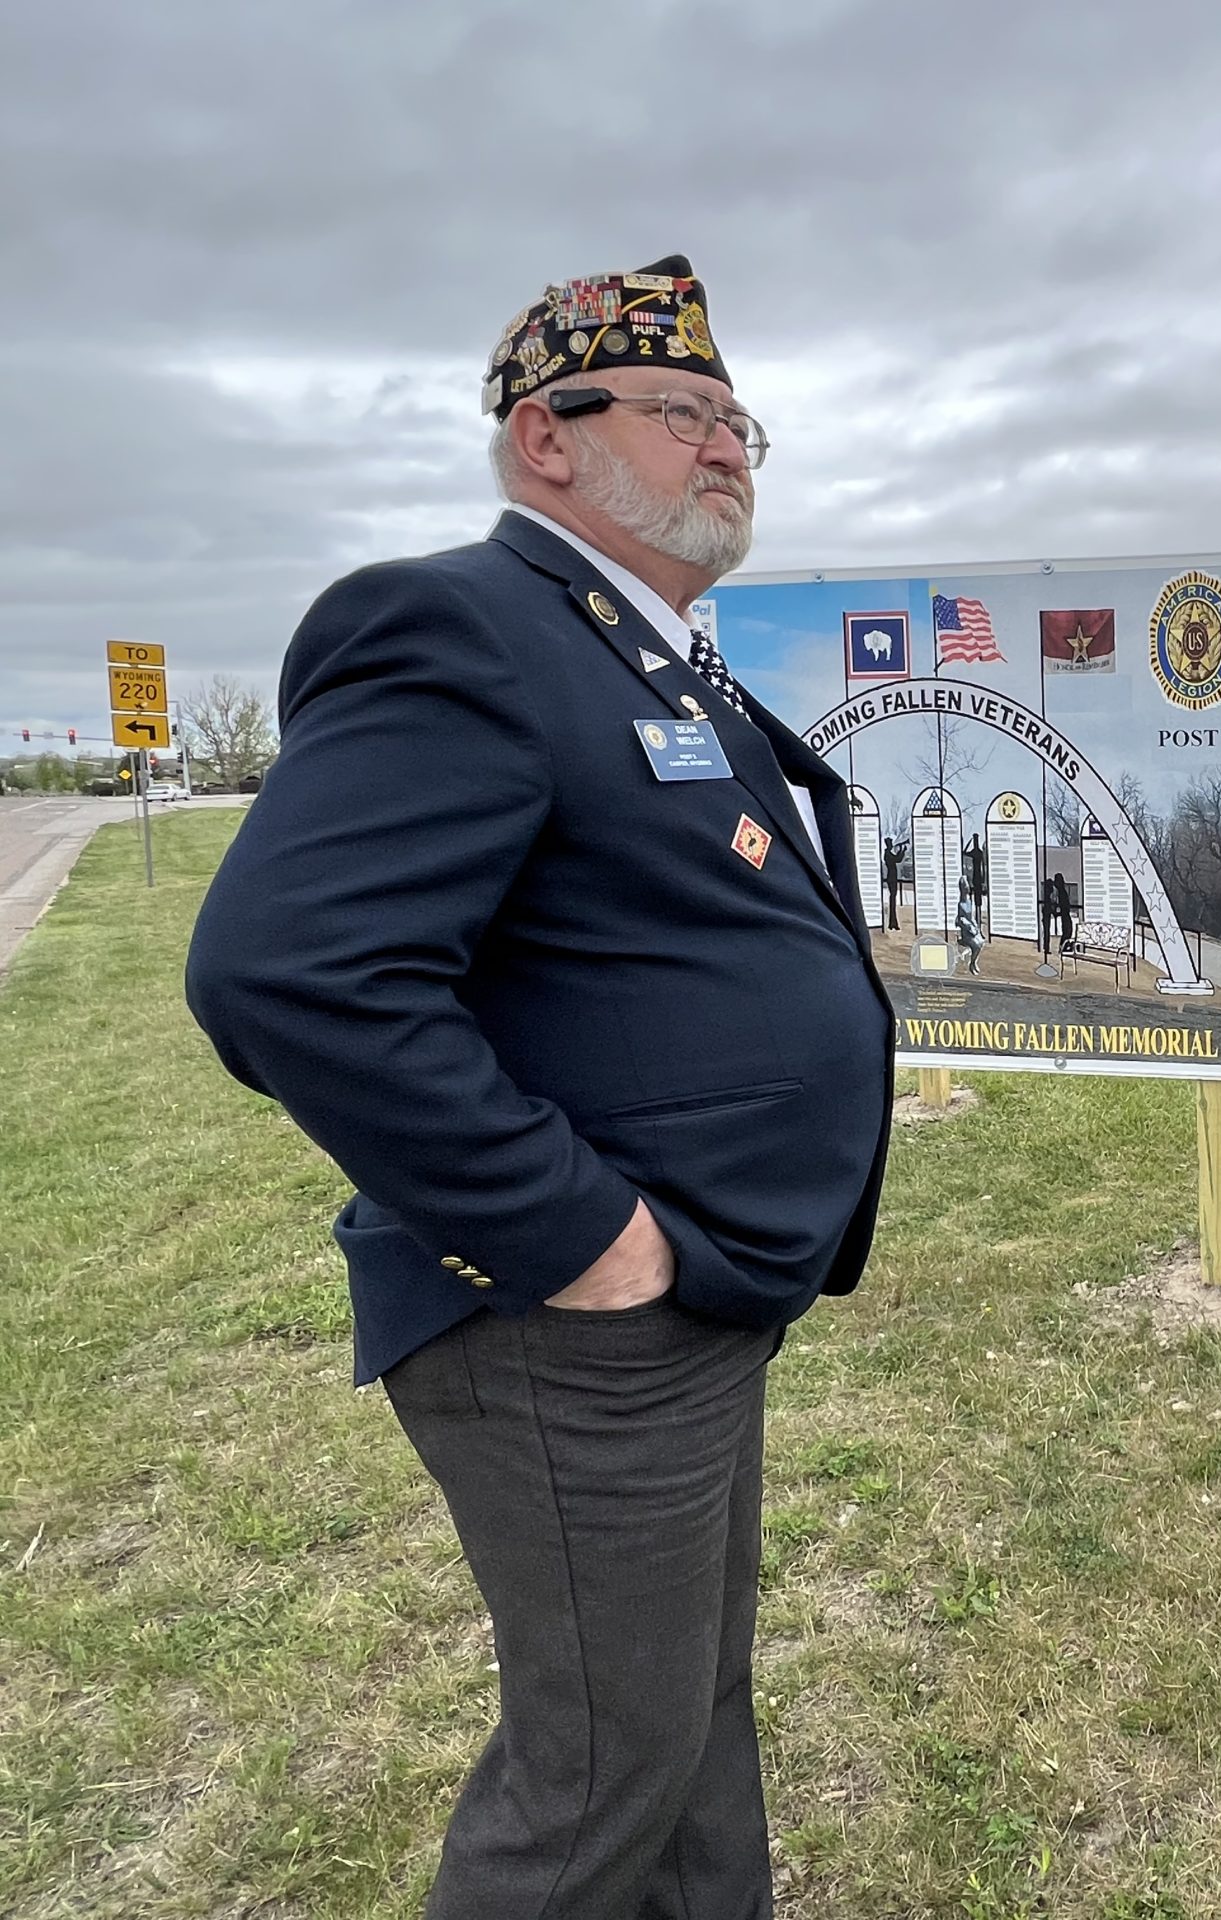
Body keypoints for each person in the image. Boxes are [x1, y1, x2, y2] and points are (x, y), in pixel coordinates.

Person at [186, 255, 894, 1919]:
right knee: (594, 1785)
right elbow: (287, 971)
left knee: (690, 1726)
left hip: (697, 1310)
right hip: (572, 1332)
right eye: (681, 411)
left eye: (739, 421)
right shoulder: (461, 625)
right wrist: (588, 1240)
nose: (728, 446)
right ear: (545, 443)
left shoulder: (658, 659)